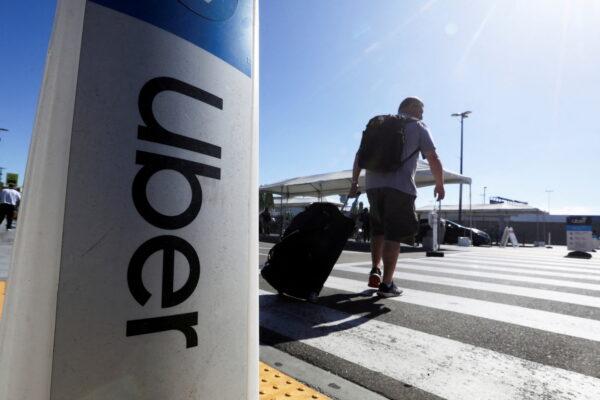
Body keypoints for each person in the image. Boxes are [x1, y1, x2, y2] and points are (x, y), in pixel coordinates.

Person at [349, 97, 445, 297]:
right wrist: (439, 184)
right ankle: (387, 284)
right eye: (422, 110)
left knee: (378, 231)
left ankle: (375, 268)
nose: (423, 114)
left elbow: (359, 156)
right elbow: (433, 157)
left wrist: (354, 182)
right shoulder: (418, 126)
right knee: (394, 234)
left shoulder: (379, 124)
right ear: (413, 108)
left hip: (373, 186)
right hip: (400, 187)